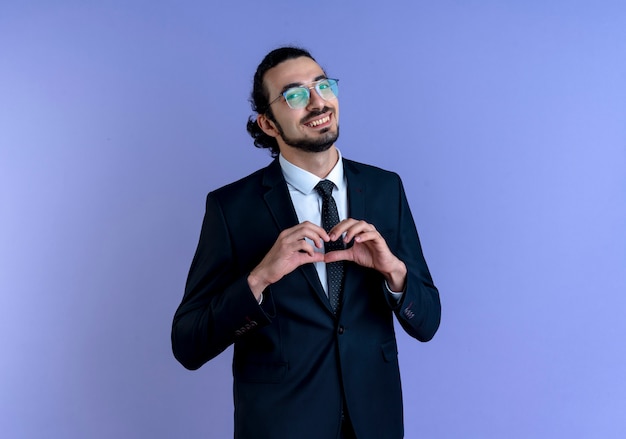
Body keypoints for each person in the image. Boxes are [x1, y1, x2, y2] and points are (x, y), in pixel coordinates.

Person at [171, 46, 441, 439]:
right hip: (281, 425)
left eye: (323, 86)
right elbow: (188, 344)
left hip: (374, 423)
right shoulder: (231, 208)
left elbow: (428, 321)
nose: (317, 102)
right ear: (268, 124)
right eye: (295, 95)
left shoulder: (386, 189)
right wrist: (259, 279)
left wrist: (394, 273)